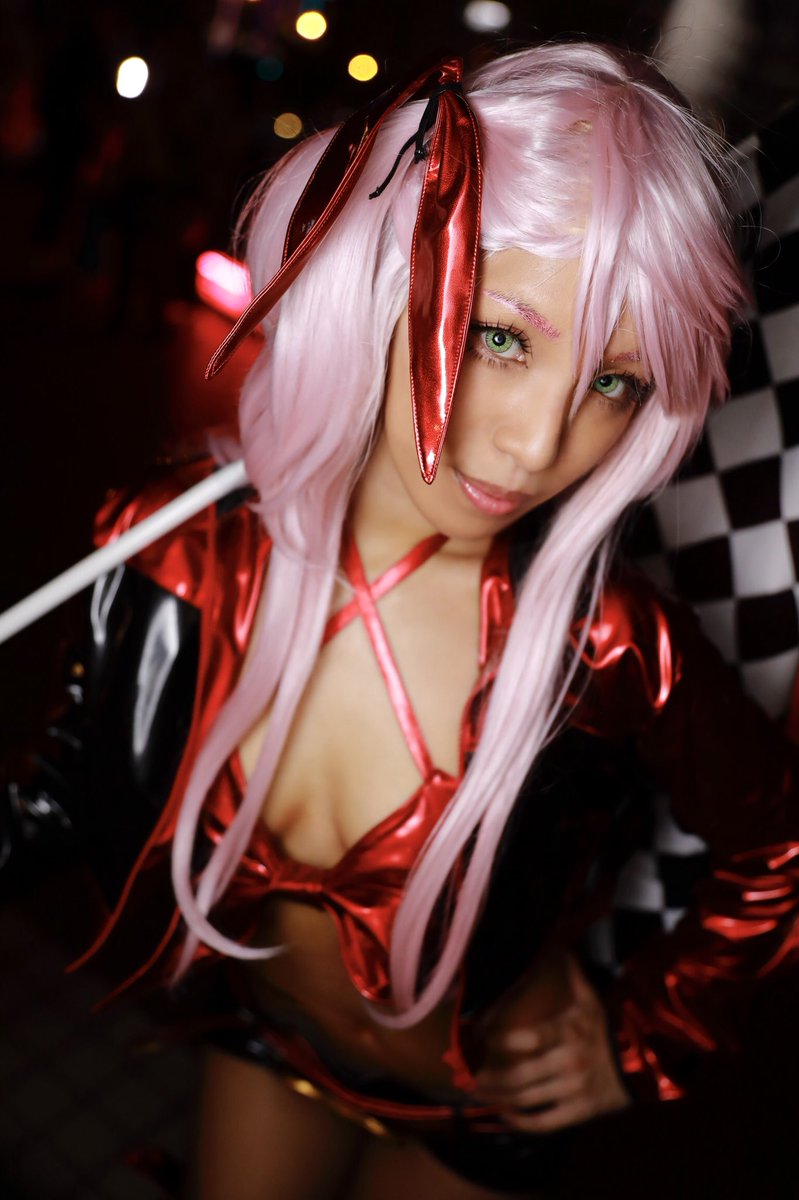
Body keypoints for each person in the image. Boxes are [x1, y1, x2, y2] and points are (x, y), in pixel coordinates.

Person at [8, 41, 799, 1200]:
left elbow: (774, 846)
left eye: (614, 383)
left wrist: (644, 1039)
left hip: (480, 1110)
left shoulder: (613, 650)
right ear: (384, 274)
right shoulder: (184, 555)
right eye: (500, 336)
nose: (536, 444)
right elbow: (63, 790)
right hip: (269, 1048)